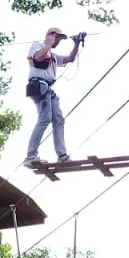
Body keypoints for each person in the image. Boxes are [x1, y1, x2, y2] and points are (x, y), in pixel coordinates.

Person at [23, 27, 84, 168]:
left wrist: (76, 43)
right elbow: (38, 57)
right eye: (57, 38)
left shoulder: (54, 55)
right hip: (38, 85)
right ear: (51, 36)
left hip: (48, 89)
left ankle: (62, 155)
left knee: (58, 119)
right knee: (45, 118)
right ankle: (30, 156)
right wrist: (48, 43)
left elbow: (69, 59)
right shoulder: (37, 46)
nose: (58, 41)